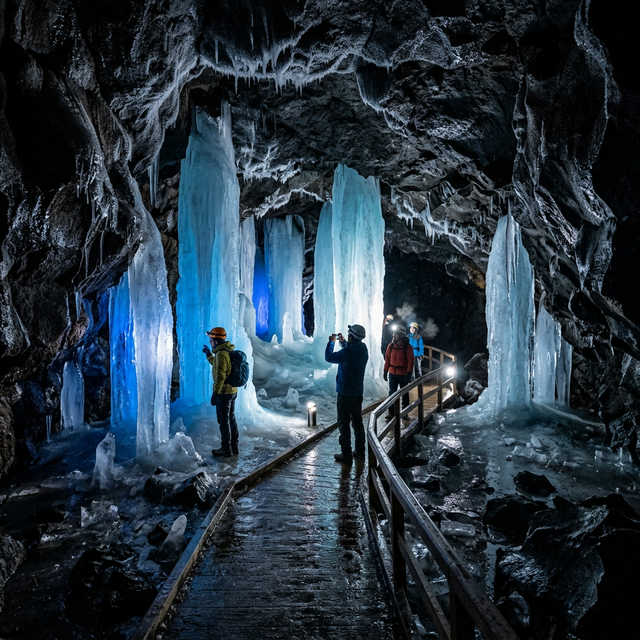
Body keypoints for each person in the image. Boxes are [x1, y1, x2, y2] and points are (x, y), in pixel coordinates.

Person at [325, 324, 369, 464]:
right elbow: (351, 352)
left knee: (343, 422)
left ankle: (346, 454)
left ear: (352, 336)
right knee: (357, 421)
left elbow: (329, 357)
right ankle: (360, 451)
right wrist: (343, 343)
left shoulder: (348, 352)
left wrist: (331, 343)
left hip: (345, 392)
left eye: (349, 334)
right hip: (357, 391)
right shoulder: (363, 349)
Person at [203, 326, 239, 457]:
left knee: (223, 420)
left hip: (224, 393)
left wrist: (215, 394)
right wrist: (209, 355)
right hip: (232, 391)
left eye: (211, 340)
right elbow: (218, 366)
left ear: (216, 341)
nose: (210, 342)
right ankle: (234, 446)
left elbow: (220, 376)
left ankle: (226, 448)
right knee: (231, 418)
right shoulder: (225, 352)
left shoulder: (221, 354)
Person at [383, 325, 414, 416]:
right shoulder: (391, 346)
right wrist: (385, 371)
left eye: (395, 334)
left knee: (404, 394)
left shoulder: (408, 347)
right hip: (392, 373)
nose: (393, 336)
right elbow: (387, 359)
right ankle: (391, 412)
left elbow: (410, 361)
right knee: (392, 393)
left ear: (401, 335)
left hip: (403, 374)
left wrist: (409, 373)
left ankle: (405, 413)